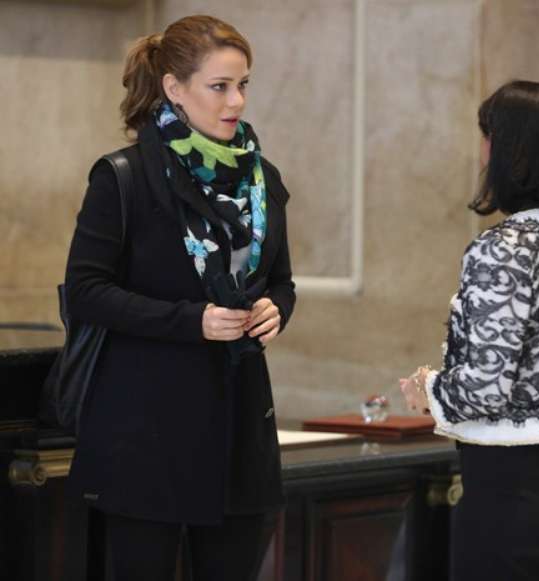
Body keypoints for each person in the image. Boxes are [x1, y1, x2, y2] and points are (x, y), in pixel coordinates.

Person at [65, 15, 295, 581]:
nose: (237, 101)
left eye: (243, 85)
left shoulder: (262, 179)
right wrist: (191, 321)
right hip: (146, 432)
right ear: (174, 88)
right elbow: (87, 292)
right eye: (220, 86)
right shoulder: (124, 176)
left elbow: (282, 282)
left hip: (240, 428)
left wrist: (276, 310)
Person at [400, 80, 539, 580]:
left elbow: (486, 388)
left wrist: (427, 389)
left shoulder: (503, 246)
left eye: (489, 136)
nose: (483, 151)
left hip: (512, 485)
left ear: (514, 150)